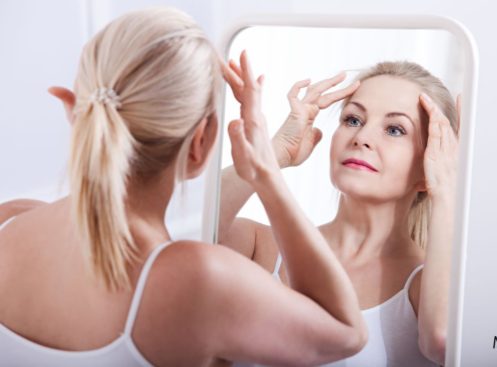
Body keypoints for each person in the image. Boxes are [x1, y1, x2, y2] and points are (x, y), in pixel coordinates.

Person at [0, 8, 368, 366]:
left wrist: (274, 153)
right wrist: (266, 173)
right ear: (202, 142)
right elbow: (346, 333)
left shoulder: (10, 219)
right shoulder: (197, 280)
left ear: (71, 108)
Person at [220, 60, 460, 366]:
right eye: (353, 120)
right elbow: (177, 244)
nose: (361, 138)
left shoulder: (424, 288)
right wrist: (272, 154)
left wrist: (448, 190)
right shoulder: (259, 246)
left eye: (395, 129)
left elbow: (441, 341)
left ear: (430, 164)